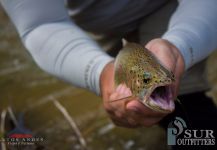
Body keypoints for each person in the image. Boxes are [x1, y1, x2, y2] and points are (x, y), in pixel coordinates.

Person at [1, 0, 217, 131]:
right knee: (141, 110)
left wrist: (178, 47)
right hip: (100, 27)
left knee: (187, 106)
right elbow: (41, 24)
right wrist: (102, 74)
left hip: (176, 10)